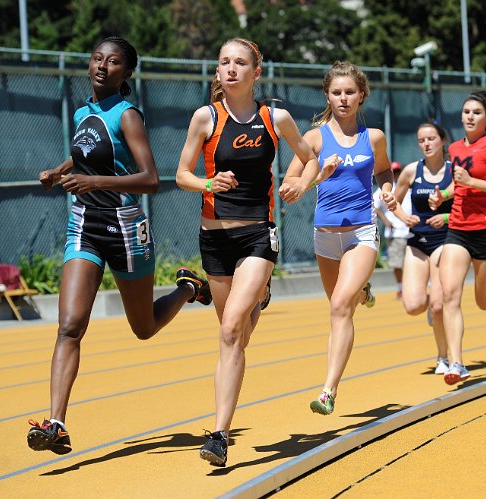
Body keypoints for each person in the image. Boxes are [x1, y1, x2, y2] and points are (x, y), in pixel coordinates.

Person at [27, 37, 211, 456]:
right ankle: (56, 423)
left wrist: (95, 183)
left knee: (143, 328)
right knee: (70, 325)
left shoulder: (128, 115)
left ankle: (187, 289)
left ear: (126, 73)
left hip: (125, 227)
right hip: (85, 225)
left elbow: (150, 179)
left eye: (113, 63)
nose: (101, 67)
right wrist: (59, 171)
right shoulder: (81, 112)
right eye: (96, 59)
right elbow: (88, 153)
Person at [175, 38, 323, 467]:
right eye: (224, 62)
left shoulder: (275, 117)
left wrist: (301, 183)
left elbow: (310, 158)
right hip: (214, 239)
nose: (231, 69)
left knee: (229, 331)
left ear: (256, 73)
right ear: (218, 72)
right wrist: (207, 184)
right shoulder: (206, 117)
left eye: (241, 63)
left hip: (258, 234)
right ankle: (259, 296)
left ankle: (219, 433)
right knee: (235, 333)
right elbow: (181, 174)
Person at [281, 61, 396, 416]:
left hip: (362, 231)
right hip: (326, 235)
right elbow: (290, 186)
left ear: (361, 95)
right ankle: (363, 290)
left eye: (350, 92)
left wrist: (388, 190)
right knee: (341, 304)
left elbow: (383, 169)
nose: (343, 99)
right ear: (327, 96)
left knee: (339, 307)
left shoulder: (373, 137)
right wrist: (317, 177)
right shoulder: (314, 138)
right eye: (336, 92)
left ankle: (329, 390)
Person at [431, 90, 486, 385]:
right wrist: (442, 195)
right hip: (457, 229)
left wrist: (472, 181)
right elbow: (460, 186)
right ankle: (457, 363)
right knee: (448, 295)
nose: (469, 116)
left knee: (483, 301)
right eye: (466, 111)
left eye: (476, 112)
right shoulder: (455, 148)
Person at [392, 123, 453, 374]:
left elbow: (466, 205)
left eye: (431, 139)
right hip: (417, 241)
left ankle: (443, 357)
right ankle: (431, 303)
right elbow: (392, 201)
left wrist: (446, 218)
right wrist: (404, 217)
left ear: (442, 141)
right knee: (413, 305)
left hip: (446, 241)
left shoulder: (454, 171)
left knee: (439, 307)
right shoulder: (411, 171)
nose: (426, 144)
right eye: (421, 140)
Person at [374, 161, 410, 299]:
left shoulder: (408, 184)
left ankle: (410, 288)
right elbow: (375, 204)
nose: (396, 175)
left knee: (410, 263)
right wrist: (386, 221)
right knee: (397, 263)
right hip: (395, 231)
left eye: (397, 172)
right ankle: (401, 288)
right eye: (393, 172)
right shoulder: (385, 188)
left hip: (410, 230)